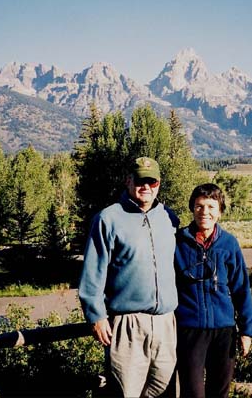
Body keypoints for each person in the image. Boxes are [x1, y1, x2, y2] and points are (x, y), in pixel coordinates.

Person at [79, 156, 179, 397]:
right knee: (126, 392)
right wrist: (96, 316)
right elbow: (93, 271)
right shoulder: (108, 219)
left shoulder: (169, 218)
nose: (146, 187)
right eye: (139, 181)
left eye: (151, 181)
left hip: (166, 323)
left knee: (165, 391)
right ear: (128, 181)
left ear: (159, 184)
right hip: (128, 325)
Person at [174, 183, 252, 398]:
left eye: (211, 207)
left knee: (219, 392)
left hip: (224, 330)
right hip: (189, 330)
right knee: (192, 392)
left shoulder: (229, 244)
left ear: (220, 211)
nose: (205, 212)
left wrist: (246, 330)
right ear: (192, 208)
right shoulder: (178, 243)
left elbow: (241, 288)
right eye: (199, 206)